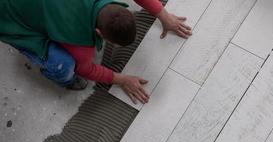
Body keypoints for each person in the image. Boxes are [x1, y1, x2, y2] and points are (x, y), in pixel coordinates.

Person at [0, 0, 192, 104]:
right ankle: (63, 79)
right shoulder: (78, 43)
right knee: (64, 65)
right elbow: (86, 69)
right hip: (8, 16)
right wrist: (121, 79)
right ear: (99, 33)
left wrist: (163, 15)